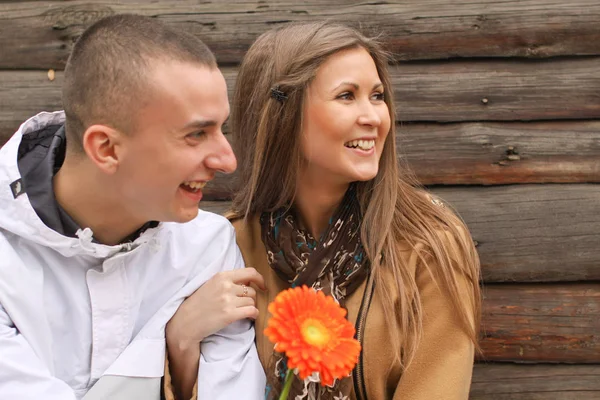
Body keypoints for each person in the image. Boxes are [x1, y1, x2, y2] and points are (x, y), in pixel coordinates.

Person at [0, 14, 265, 400]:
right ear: (106, 149)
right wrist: (174, 348)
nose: (227, 161)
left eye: (221, 129)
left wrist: (178, 344)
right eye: (196, 134)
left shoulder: (208, 247)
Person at [226, 22, 481, 399]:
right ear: (283, 115)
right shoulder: (232, 244)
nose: (375, 118)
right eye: (347, 96)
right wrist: (183, 338)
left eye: (377, 97)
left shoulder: (428, 244)